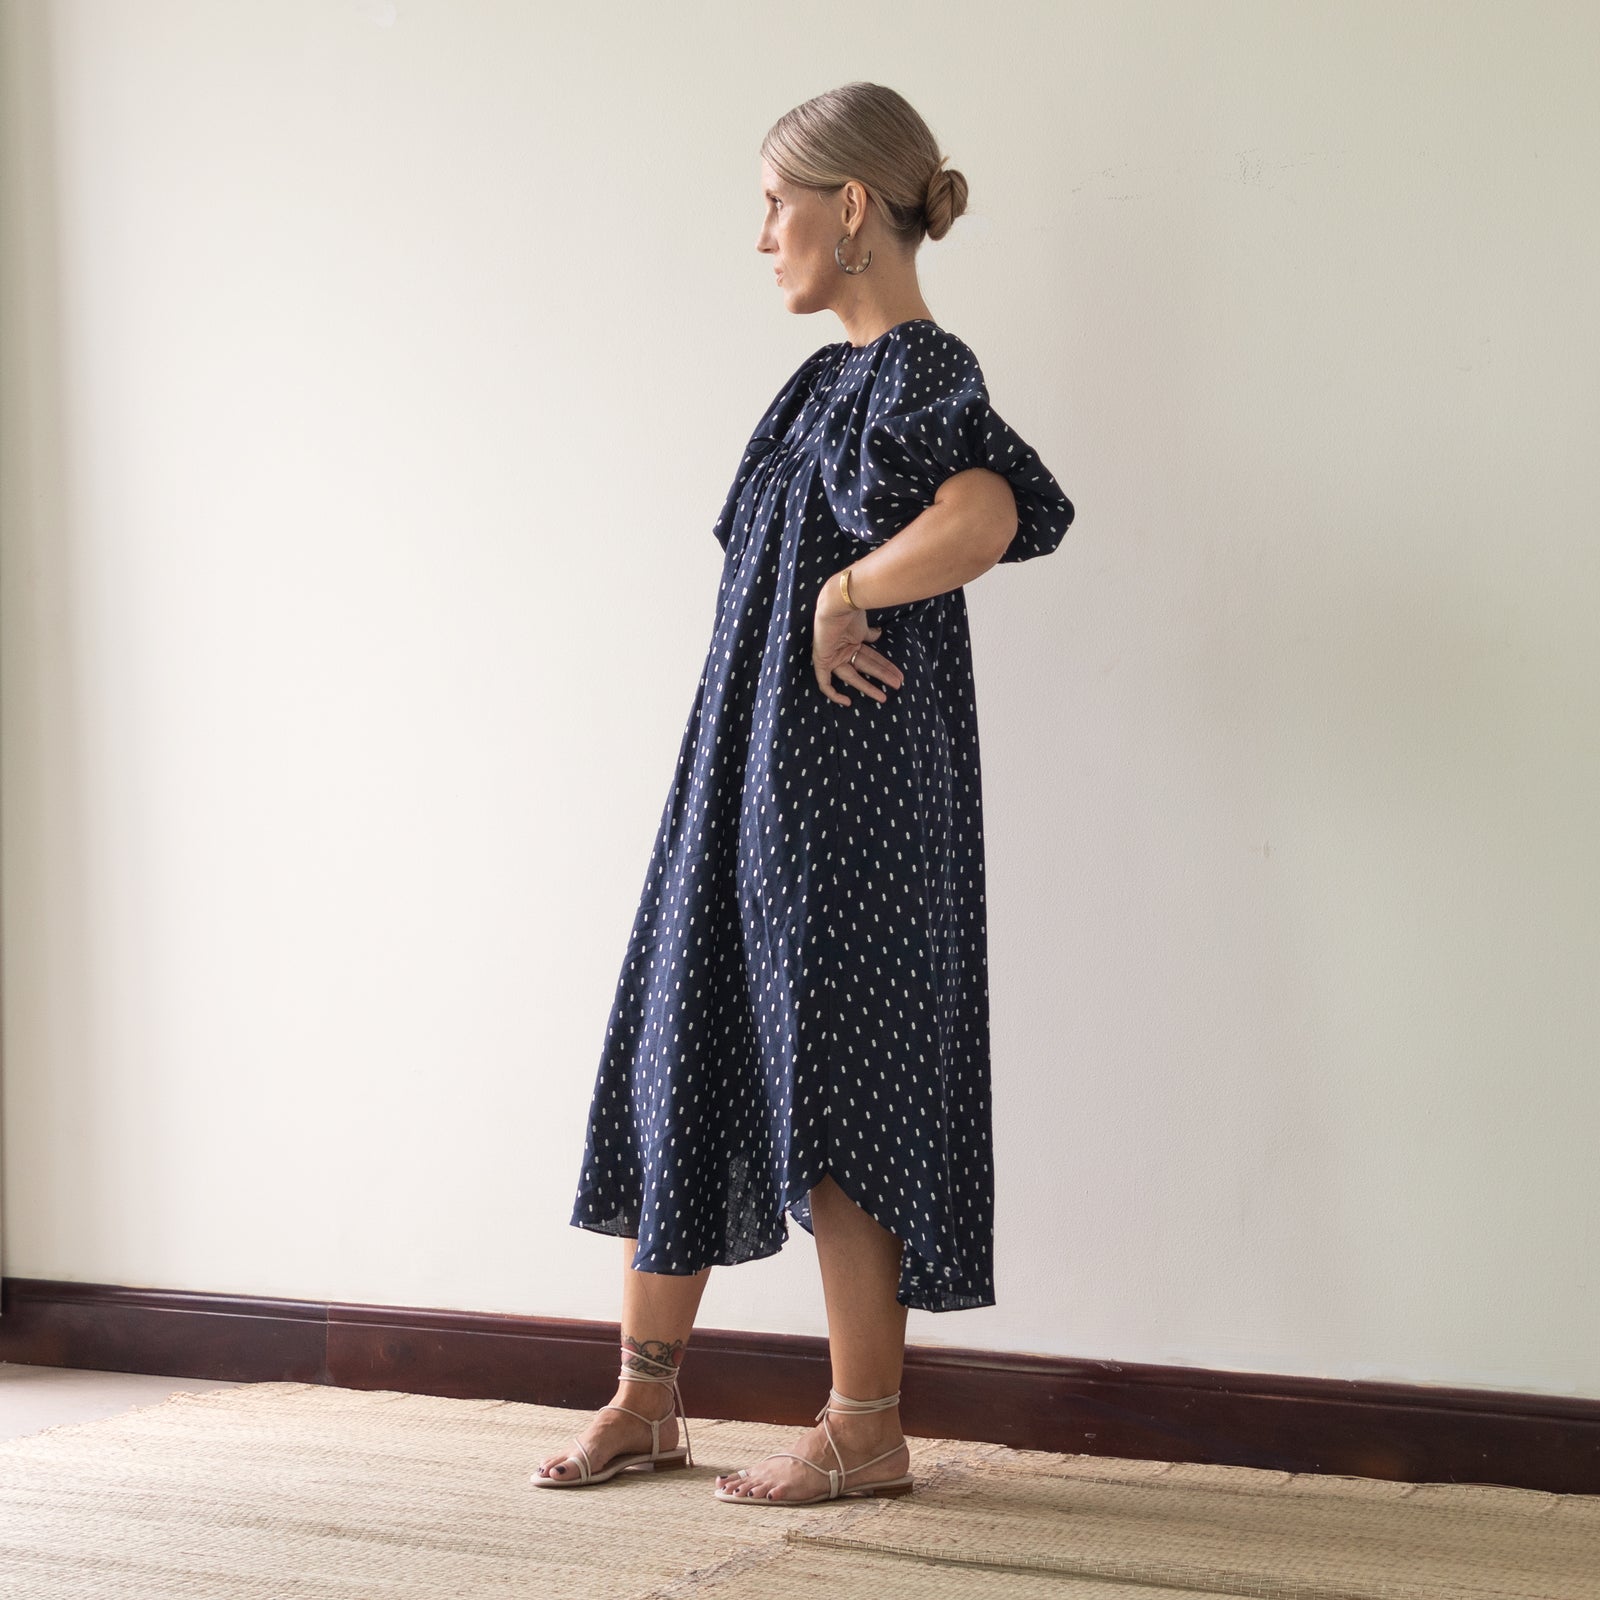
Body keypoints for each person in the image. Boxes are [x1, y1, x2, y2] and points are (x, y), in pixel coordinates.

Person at [532, 82, 1073, 1504]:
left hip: (853, 797)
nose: (762, 232)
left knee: (841, 1076)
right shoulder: (819, 385)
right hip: (745, 769)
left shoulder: (918, 368)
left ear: (851, 208)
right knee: (688, 1033)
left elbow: (988, 513)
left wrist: (848, 588)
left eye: (776, 202)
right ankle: (646, 1400)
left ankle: (866, 1427)